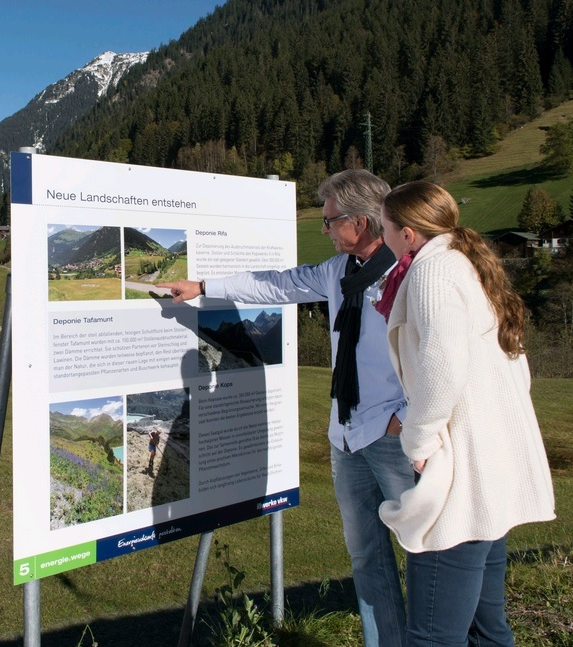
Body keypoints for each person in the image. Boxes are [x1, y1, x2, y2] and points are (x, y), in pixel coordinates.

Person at [159, 169, 412, 647]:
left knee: (425, 553)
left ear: (359, 222)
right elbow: (275, 285)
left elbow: (437, 355)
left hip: (395, 439)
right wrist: (204, 286)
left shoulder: (408, 273)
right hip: (347, 438)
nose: (325, 229)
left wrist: (407, 419)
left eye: (330, 221)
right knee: (366, 557)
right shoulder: (339, 272)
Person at [377, 181, 556, 646]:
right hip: (489, 461)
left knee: (433, 634)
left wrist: (419, 440)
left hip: (460, 467)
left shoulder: (433, 271)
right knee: (486, 626)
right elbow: (516, 363)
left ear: (407, 233)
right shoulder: (468, 263)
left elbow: (443, 365)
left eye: (385, 227)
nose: (383, 236)